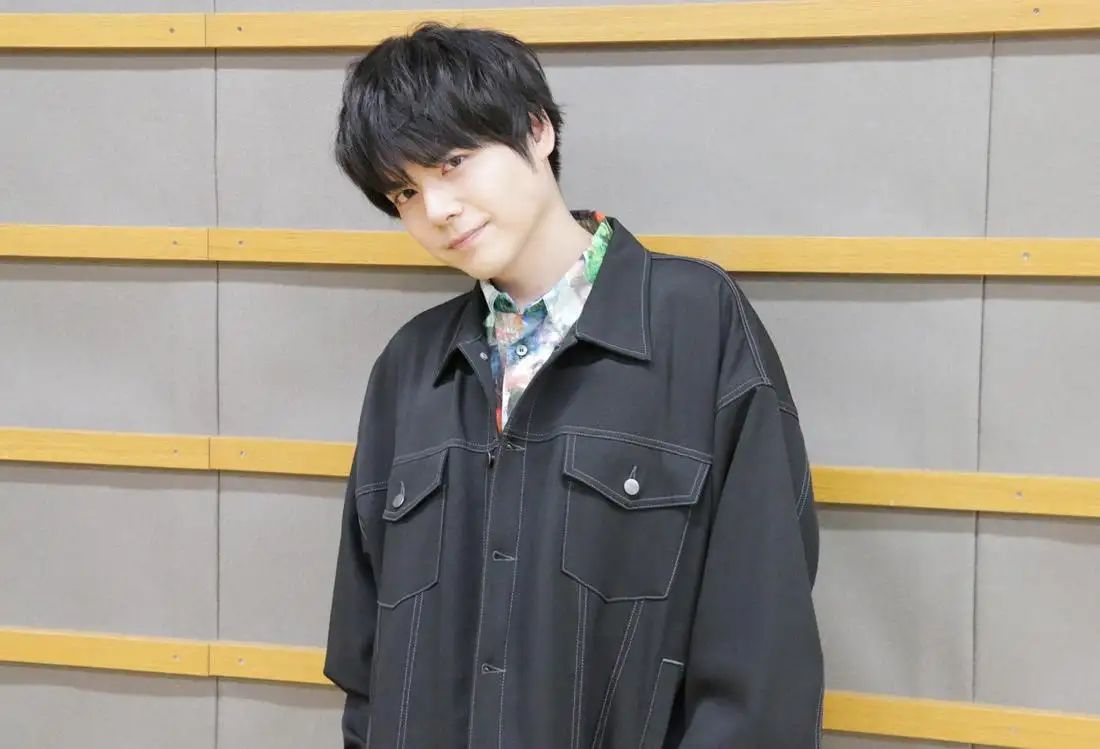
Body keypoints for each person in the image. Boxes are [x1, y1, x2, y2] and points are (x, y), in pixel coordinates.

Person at [323, 21, 823, 749]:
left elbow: (762, 652)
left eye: (452, 163)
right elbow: (365, 662)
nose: (436, 210)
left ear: (537, 130)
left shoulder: (696, 324)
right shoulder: (409, 368)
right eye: (405, 191)